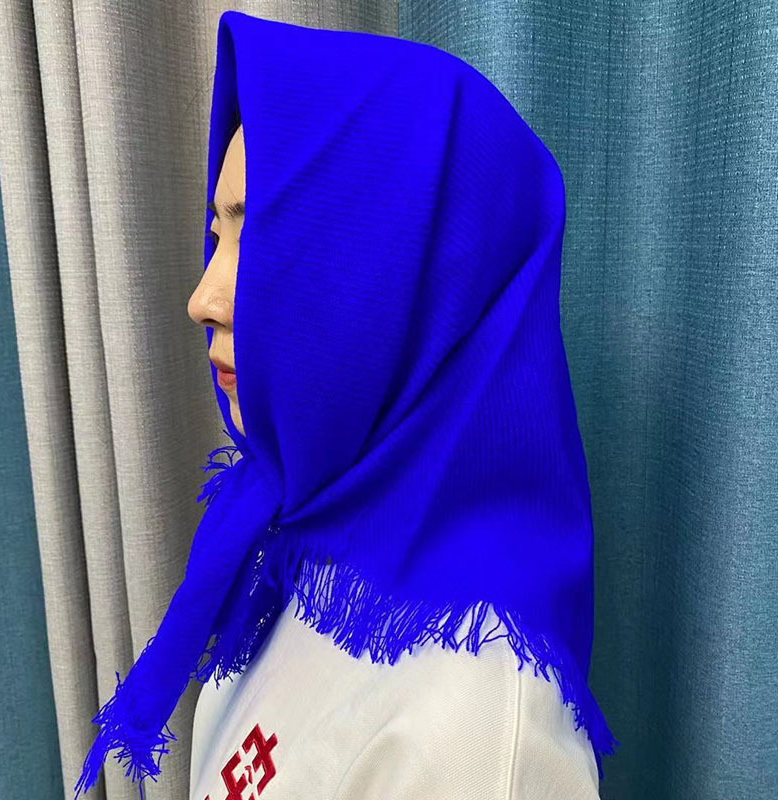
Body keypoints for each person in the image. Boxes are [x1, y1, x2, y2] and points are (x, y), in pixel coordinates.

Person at [185, 121, 602, 800]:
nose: (202, 300)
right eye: (218, 233)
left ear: (406, 288)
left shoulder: (477, 725)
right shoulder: (298, 546)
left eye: (258, 239)